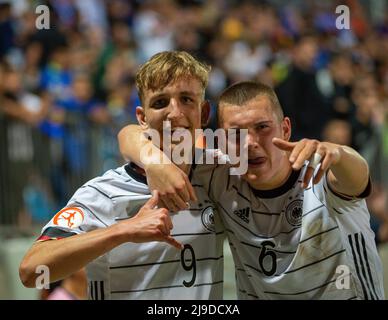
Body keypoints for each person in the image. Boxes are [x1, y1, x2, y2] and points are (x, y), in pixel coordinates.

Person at [118, 81, 384, 299]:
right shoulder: (219, 176)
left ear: (286, 128)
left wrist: (338, 153)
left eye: (262, 128)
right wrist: (153, 161)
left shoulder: (320, 171)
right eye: (235, 134)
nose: (250, 143)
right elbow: (129, 133)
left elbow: (357, 178)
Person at [19, 51, 225, 300]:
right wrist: (123, 230)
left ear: (204, 114)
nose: (174, 112)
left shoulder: (220, 174)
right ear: (142, 118)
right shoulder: (102, 192)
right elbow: (32, 270)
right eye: (160, 102)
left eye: (186, 99)